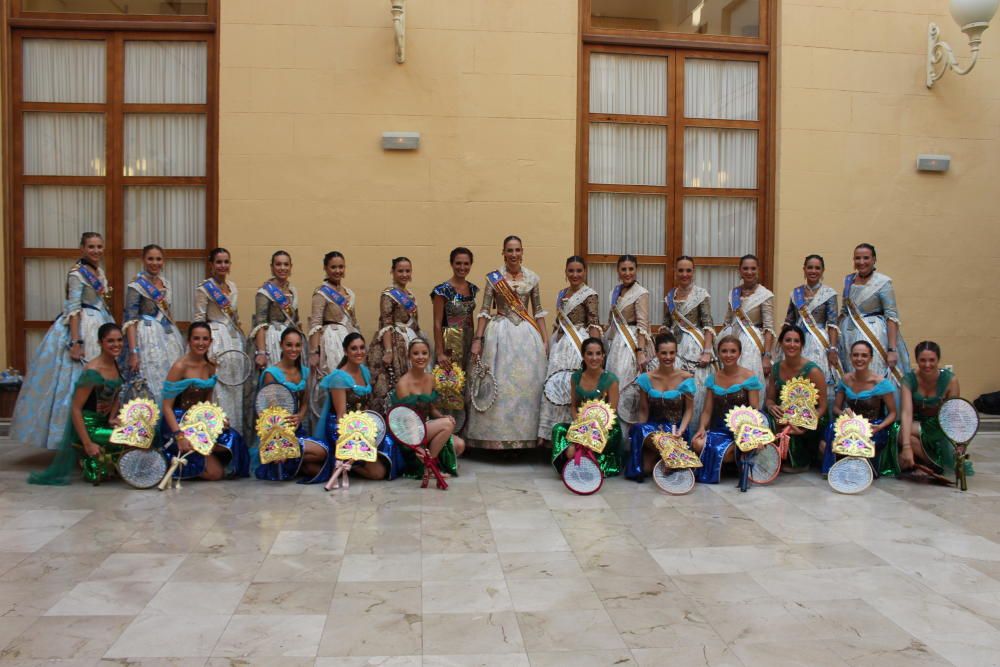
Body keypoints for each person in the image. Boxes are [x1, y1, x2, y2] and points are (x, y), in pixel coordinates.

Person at [13, 232, 116, 451]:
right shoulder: (76, 273)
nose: (96, 251)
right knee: (75, 384)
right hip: (81, 327)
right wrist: (76, 342)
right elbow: (73, 309)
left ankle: (95, 433)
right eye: (91, 247)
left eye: (99, 246)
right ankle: (73, 440)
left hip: (100, 323)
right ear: (82, 248)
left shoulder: (98, 271)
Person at [466, 236, 548, 450]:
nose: (513, 254)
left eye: (517, 250)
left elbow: (538, 311)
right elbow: (484, 310)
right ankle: (495, 439)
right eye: (509, 250)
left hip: (527, 335)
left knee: (527, 385)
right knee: (499, 385)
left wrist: (545, 339)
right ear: (503, 252)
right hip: (499, 333)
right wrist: (478, 339)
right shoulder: (494, 277)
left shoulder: (532, 278)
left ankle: (525, 437)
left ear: (523, 251)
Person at [27, 323, 124, 485]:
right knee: (128, 438)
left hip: (103, 423)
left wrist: (112, 417)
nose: (116, 345)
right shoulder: (93, 370)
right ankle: (91, 455)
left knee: (141, 432)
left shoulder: (115, 364)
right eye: (111, 341)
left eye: (120, 340)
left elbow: (116, 394)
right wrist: (87, 443)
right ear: (100, 343)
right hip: (89, 426)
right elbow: (76, 408)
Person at [161, 322, 249, 481]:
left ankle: (201, 452)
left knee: (233, 438)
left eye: (205, 339)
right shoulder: (180, 367)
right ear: (189, 341)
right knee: (216, 474)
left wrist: (217, 419)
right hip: (178, 421)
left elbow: (206, 404)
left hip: (199, 420)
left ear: (210, 341)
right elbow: (166, 407)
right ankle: (169, 459)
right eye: (196, 338)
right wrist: (179, 436)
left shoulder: (210, 366)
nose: (201, 343)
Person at [315, 333, 403, 482]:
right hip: (342, 428)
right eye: (354, 348)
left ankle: (354, 463)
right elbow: (341, 415)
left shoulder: (364, 371)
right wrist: (352, 438)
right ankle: (347, 465)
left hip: (361, 425)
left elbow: (365, 406)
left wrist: (371, 428)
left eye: (362, 348)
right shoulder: (339, 378)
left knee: (389, 444)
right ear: (345, 351)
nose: (359, 352)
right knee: (378, 473)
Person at [253, 329, 330, 483]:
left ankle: (291, 462)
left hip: (297, 429)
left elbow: (306, 402)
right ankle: (277, 453)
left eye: (297, 345)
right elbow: (268, 413)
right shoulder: (271, 373)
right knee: (322, 452)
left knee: (319, 469)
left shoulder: (305, 372)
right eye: (289, 345)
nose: (293, 349)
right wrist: (277, 439)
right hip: (277, 432)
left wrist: (300, 416)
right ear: (281, 345)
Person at [538, 256, 602, 442]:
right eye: (571, 271)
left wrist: (595, 353)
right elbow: (558, 322)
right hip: (559, 344)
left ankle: (574, 433)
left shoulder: (590, 294)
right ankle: (553, 435)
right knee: (555, 385)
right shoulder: (561, 293)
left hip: (578, 344)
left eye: (579, 271)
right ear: (565, 272)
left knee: (572, 386)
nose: (575, 274)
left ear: (585, 272)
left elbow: (594, 323)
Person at [692, 336, 764, 484]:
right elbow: (707, 411)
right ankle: (732, 461)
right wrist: (701, 428)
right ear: (718, 353)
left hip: (742, 431)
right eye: (724, 351)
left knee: (726, 452)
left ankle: (731, 459)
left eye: (733, 351)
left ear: (739, 353)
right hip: (719, 429)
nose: (728, 355)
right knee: (697, 444)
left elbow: (755, 409)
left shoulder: (749, 377)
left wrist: (754, 434)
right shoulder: (713, 378)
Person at [820, 341, 898, 477]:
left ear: (871, 358)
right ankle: (830, 471)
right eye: (856, 355)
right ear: (850, 357)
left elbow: (892, 413)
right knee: (833, 427)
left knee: (861, 439)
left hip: (873, 426)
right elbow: (836, 409)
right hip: (850, 425)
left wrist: (880, 427)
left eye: (864, 355)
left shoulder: (881, 383)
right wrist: (843, 412)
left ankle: (860, 468)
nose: (859, 359)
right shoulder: (846, 380)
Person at [838, 243, 910, 388]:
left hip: (875, 336)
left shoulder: (883, 282)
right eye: (857, 258)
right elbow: (844, 311)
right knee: (852, 375)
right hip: (849, 337)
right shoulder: (849, 281)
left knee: (874, 373)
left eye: (866, 258)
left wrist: (892, 349)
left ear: (874, 259)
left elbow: (891, 316)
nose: (861, 262)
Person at [625, 334, 696, 481]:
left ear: (676, 353)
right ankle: (667, 456)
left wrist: (681, 431)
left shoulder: (686, 378)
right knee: (638, 430)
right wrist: (641, 435)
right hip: (653, 431)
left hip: (676, 429)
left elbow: (689, 409)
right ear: (657, 354)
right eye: (664, 353)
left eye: (672, 353)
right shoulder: (646, 378)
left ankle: (670, 455)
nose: (668, 357)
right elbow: (644, 410)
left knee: (652, 465)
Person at [391, 338, 463, 478]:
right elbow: (404, 418)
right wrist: (417, 446)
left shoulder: (430, 379)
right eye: (416, 353)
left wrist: (442, 417)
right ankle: (429, 466)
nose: (420, 357)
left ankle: (429, 461)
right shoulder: (403, 384)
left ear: (429, 356)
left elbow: (431, 408)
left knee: (459, 444)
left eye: (424, 353)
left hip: (424, 427)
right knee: (447, 425)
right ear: (409, 356)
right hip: (408, 432)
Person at [194, 247, 246, 437]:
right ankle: (216, 432)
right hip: (214, 339)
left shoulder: (232, 287)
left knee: (234, 386)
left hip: (232, 340)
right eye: (219, 262)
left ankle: (234, 434)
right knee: (218, 388)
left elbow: (235, 316)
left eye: (226, 262)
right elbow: (199, 318)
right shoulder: (204, 288)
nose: (222, 265)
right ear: (211, 265)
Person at [122, 244, 185, 404]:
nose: (154, 263)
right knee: (150, 378)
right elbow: (130, 319)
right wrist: (133, 351)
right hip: (146, 336)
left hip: (167, 334)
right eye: (150, 259)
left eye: (158, 259)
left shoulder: (166, 283)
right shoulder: (136, 285)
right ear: (143, 260)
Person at [551, 337, 622, 476]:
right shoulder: (576, 378)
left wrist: (583, 438)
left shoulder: (611, 380)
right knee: (558, 429)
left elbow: (611, 413)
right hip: (582, 425)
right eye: (589, 354)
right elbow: (573, 407)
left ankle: (580, 459)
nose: (594, 358)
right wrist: (579, 430)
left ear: (603, 356)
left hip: (605, 430)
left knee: (580, 448)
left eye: (598, 354)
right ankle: (567, 465)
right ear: (583, 355)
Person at [898, 341, 970, 476]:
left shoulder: (950, 380)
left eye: (932, 360)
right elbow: (907, 412)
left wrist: (960, 441)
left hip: (939, 423)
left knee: (906, 433)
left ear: (938, 359)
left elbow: (953, 413)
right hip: (916, 421)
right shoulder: (908, 379)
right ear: (917, 360)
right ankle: (934, 465)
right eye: (922, 360)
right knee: (901, 434)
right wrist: (906, 446)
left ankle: (934, 462)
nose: (927, 365)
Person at [765, 325, 829, 471]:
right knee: (767, 419)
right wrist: (771, 406)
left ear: (802, 345)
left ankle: (801, 460)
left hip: (813, 416)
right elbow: (769, 399)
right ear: (781, 343)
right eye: (788, 340)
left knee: (791, 426)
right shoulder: (776, 369)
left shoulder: (813, 371)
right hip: (786, 415)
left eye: (796, 341)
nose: (792, 345)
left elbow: (823, 406)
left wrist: (805, 422)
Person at [661, 255, 715, 421]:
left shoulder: (701, 295)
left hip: (695, 347)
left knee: (696, 391)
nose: (685, 274)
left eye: (688, 270)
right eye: (681, 270)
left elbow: (708, 324)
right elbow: (665, 324)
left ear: (693, 272)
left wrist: (707, 351)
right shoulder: (670, 296)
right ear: (675, 272)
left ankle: (694, 430)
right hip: (674, 348)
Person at [781, 254, 840, 403]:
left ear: (823, 271)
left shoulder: (829, 294)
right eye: (810, 267)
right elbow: (789, 320)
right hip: (797, 339)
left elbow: (833, 323)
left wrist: (833, 348)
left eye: (817, 268)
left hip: (818, 341)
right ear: (804, 269)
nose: (813, 271)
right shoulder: (796, 293)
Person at [430, 247, 479, 423]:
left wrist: (475, 342)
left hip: (467, 340)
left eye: (466, 263)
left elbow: (471, 319)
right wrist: (440, 352)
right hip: (449, 341)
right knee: (449, 385)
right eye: (458, 263)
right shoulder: (442, 290)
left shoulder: (473, 289)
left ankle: (464, 429)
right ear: (451, 264)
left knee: (466, 383)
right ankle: (446, 427)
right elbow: (436, 323)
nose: (462, 267)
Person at [367, 257, 422, 413]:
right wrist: (389, 351)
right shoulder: (388, 294)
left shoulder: (410, 295)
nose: (404, 274)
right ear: (392, 272)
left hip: (409, 340)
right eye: (400, 271)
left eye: (407, 271)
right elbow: (386, 323)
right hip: (394, 342)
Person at [719, 254, 775, 404]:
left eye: (752, 268)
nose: (749, 272)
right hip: (733, 342)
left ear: (758, 270)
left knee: (748, 383)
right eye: (745, 268)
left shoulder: (765, 295)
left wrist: (767, 356)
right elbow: (728, 320)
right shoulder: (734, 293)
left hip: (753, 345)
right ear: (740, 271)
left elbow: (769, 328)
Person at [605, 254, 654, 423]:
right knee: (613, 385)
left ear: (636, 270)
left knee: (627, 385)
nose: (627, 273)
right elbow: (611, 321)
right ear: (618, 271)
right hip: (617, 343)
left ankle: (629, 436)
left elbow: (643, 323)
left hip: (632, 343)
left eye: (631, 269)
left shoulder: (641, 293)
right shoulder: (614, 291)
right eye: (623, 269)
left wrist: (640, 351)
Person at [308, 251, 359, 378]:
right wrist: (314, 352)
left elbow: (354, 321)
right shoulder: (321, 293)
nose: (337, 271)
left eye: (341, 267)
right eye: (333, 267)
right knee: (335, 376)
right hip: (331, 340)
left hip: (348, 338)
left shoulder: (349, 293)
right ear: (325, 268)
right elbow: (316, 323)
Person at [250, 250, 301, 368]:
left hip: (291, 340)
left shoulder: (293, 291)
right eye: (278, 264)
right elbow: (260, 324)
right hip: (272, 340)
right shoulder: (265, 292)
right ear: (272, 267)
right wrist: (262, 352)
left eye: (286, 264)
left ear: (291, 267)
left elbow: (296, 320)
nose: (282, 268)